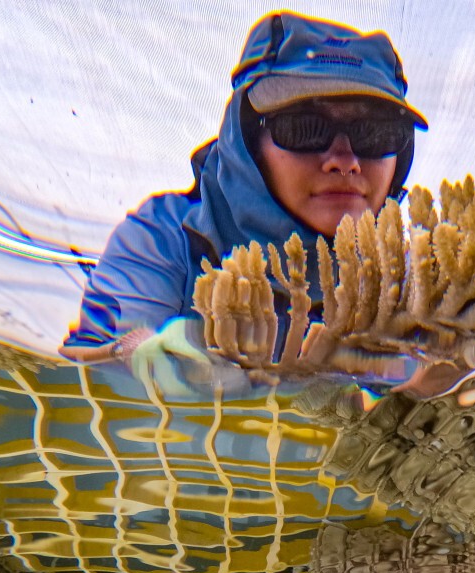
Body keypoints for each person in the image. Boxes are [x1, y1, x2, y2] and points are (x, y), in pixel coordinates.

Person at [59, 12, 427, 391]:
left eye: (376, 133)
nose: (344, 161)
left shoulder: (418, 275)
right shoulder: (164, 236)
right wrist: (140, 353)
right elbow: (93, 368)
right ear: (245, 137)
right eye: (303, 128)